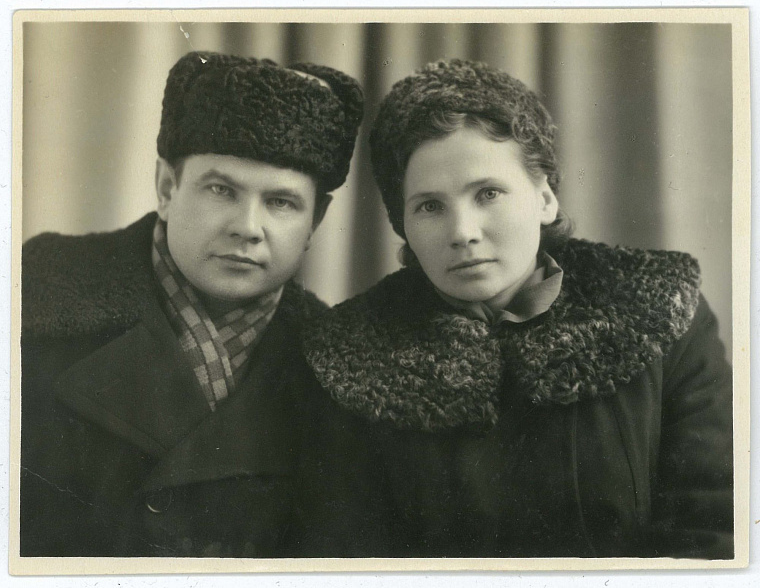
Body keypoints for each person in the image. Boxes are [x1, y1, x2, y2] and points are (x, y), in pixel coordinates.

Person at [298, 59, 733, 559]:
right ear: (404, 226)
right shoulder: (351, 353)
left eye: (488, 194)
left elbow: (713, 531)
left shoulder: (661, 311)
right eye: (430, 206)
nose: (463, 232)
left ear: (544, 198)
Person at [20, 51, 363, 557]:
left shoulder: (339, 372)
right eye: (221, 190)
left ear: (315, 221)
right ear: (167, 188)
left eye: (281, 202)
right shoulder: (33, 298)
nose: (248, 227)